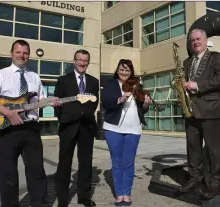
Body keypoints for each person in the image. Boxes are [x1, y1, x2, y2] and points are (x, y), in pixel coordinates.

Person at [0, 39, 61, 207]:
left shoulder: (34, 76)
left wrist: (50, 100)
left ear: (28, 55)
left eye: (25, 52)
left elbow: (40, 99)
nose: (22, 55)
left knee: (37, 171)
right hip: (8, 131)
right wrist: (7, 112)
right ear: (11, 54)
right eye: (18, 52)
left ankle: (38, 203)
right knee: (8, 173)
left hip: (31, 129)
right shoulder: (1, 74)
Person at [178, 28, 220, 199]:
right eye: (192, 40)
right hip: (191, 112)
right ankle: (194, 178)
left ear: (206, 41)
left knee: (214, 150)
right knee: (193, 149)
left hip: (211, 110)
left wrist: (196, 85)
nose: (195, 42)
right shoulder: (186, 62)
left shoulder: (217, 57)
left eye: (198, 39)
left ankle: (215, 184)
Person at [101, 59, 152, 206]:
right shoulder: (110, 84)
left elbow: (142, 109)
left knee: (129, 163)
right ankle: (119, 194)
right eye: (122, 70)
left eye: (127, 70)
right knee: (117, 163)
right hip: (113, 128)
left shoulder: (137, 85)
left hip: (134, 128)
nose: (124, 73)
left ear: (131, 72)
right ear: (117, 70)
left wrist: (147, 103)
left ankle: (127, 194)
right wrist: (120, 99)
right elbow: (106, 102)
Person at [54, 49, 99, 207]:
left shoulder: (94, 81)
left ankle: (84, 197)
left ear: (88, 62)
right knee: (64, 164)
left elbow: (94, 102)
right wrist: (64, 118)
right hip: (68, 127)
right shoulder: (63, 80)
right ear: (74, 61)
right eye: (79, 60)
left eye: (85, 61)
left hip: (87, 127)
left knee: (85, 163)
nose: (82, 63)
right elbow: (57, 103)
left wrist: (84, 113)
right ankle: (63, 199)